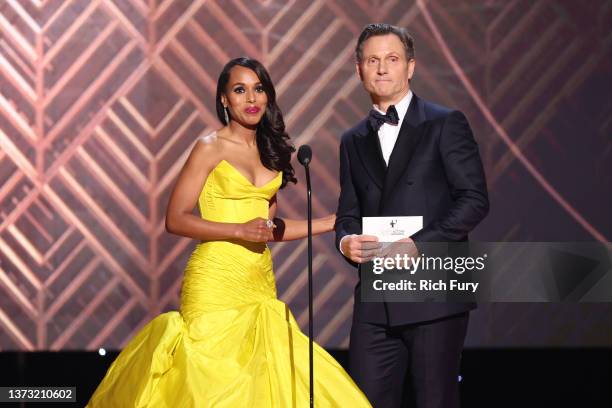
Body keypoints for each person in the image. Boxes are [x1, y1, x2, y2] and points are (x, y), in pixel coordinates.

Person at [87, 57, 371, 407]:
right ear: (224, 99)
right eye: (240, 90)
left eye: (258, 89)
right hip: (215, 281)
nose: (251, 98)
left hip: (259, 284)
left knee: (264, 385)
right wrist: (237, 229)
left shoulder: (270, 152)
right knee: (213, 385)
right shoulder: (210, 147)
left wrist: (329, 222)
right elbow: (175, 218)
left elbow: (266, 231)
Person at [335, 24, 489, 408]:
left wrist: (420, 245)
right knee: (365, 402)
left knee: (434, 400)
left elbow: (474, 199)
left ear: (411, 67)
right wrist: (345, 240)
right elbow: (348, 213)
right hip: (376, 298)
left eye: (392, 59)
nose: (382, 69)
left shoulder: (444, 122)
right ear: (359, 69)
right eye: (373, 60)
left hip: (434, 290)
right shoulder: (352, 139)